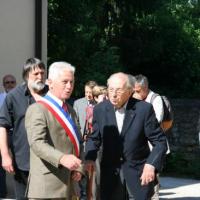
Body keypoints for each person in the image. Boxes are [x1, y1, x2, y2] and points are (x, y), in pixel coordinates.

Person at [85, 72, 167, 200]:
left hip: (139, 175)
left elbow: (160, 141)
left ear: (129, 91)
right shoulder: (100, 109)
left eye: (118, 90)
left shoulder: (144, 110)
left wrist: (151, 164)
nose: (113, 94)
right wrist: (89, 157)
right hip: (110, 177)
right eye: (111, 89)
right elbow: (94, 137)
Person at [25, 61, 84, 199]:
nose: (69, 86)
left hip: (70, 186)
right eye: (65, 82)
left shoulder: (71, 111)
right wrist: (62, 158)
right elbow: (37, 143)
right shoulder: (37, 109)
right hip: (46, 188)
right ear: (50, 83)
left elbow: (78, 142)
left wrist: (80, 168)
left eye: (71, 82)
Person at [0, 58, 47, 200]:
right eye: (36, 74)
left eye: (42, 73)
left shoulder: (50, 95)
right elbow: (3, 126)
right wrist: (5, 155)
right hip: (22, 161)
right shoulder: (13, 96)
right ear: (26, 75)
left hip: (48, 161)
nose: (40, 77)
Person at [133, 74, 170, 200]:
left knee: (152, 184)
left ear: (145, 88)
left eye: (137, 91)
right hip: (139, 149)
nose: (135, 94)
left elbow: (155, 122)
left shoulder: (156, 99)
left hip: (152, 149)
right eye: (133, 91)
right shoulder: (136, 100)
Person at [73, 80, 97, 200]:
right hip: (81, 141)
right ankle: (82, 194)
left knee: (93, 173)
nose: (88, 94)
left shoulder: (99, 104)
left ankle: (91, 195)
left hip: (94, 142)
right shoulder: (78, 103)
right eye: (86, 92)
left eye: (90, 92)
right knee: (81, 169)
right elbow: (75, 121)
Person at [0, 74, 16, 198]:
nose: (10, 84)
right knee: (1, 164)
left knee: (20, 163)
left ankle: (22, 193)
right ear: (3, 85)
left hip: (17, 134)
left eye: (12, 82)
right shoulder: (0, 98)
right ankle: (2, 192)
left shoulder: (20, 98)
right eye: (7, 82)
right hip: (3, 134)